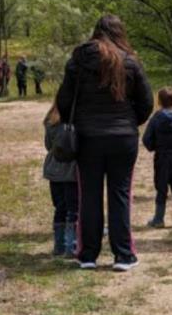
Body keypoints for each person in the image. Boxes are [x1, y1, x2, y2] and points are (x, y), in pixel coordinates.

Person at [55, 14, 153, 271]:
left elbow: (63, 101)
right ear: (120, 33)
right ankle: (123, 255)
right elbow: (146, 103)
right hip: (123, 138)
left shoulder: (78, 60)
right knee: (120, 194)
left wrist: (75, 122)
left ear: (96, 32)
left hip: (88, 138)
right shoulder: (130, 61)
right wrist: (130, 121)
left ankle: (88, 255)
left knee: (89, 195)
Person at [142, 87, 172, 228]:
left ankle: (159, 219)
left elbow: (146, 139)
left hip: (161, 157)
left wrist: (153, 147)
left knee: (161, 187)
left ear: (159, 102)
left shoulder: (156, 118)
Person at [43, 104, 79, 257]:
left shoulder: (50, 122)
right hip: (71, 171)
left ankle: (59, 245)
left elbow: (48, 145)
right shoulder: (74, 122)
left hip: (53, 168)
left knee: (59, 208)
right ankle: (71, 246)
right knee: (73, 210)